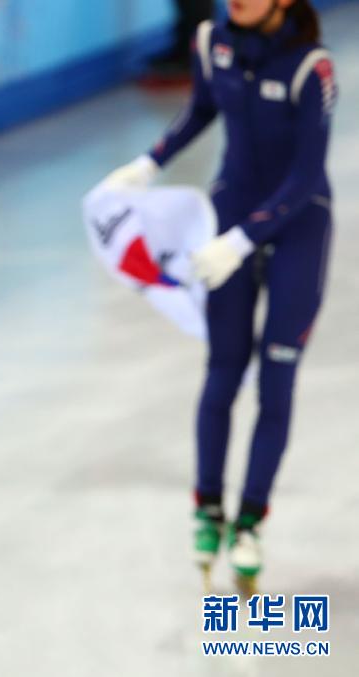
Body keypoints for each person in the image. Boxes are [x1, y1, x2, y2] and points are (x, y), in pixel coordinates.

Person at [104, 0, 336, 590]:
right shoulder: (211, 41)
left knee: (275, 378)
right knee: (224, 369)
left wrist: (244, 238)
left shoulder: (313, 67)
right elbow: (202, 108)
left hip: (297, 224)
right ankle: (207, 508)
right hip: (228, 210)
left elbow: (308, 173)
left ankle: (251, 520)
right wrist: (148, 162)